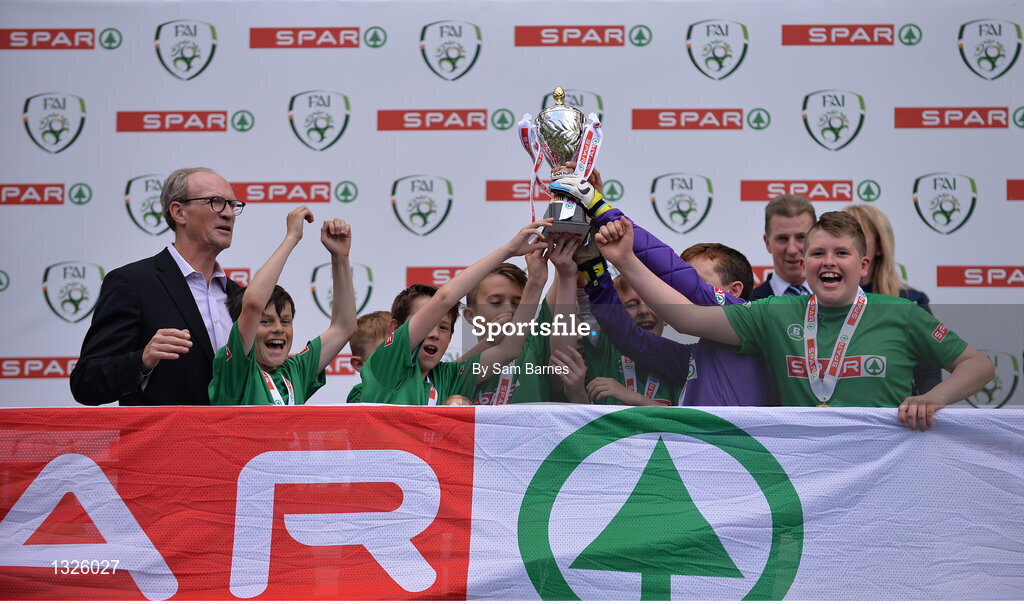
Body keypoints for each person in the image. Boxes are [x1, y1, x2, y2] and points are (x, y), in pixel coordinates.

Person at [595, 211, 994, 431]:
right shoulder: (774, 312)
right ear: (804, 267)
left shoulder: (902, 312)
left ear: (864, 265)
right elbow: (686, 316)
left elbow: (979, 365)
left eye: (842, 253)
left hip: (880, 470)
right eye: (819, 254)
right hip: (801, 474)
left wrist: (933, 398)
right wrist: (625, 260)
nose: (830, 262)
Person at [551, 171, 776, 406]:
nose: (678, 291)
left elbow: (682, 279)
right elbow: (628, 337)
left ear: (733, 292)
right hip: (696, 444)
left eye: (698, 279)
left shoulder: (758, 322)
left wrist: (599, 207)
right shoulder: (692, 357)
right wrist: (592, 266)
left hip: (739, 444)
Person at [70, 167, 244, 405]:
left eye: (232, 205)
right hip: (165, 441)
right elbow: (86, 382)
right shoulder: (132, 284)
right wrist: (142, 361)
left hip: (231, 441)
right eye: (216, 202)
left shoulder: (239, 295)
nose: (228, 214)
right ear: (178, 212)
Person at [352, 219, 551, 405]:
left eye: (445, 327)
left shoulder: (448, 377)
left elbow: (510, 349)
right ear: (397, 331)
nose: (434, 334)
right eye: (426, 324)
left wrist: (536, 283)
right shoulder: (386, 365)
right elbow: (444, 299)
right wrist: (509, 250)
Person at [208, 206, 356, 405]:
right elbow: (252, 304)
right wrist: (292, 237)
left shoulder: (295, 370)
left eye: (285, 321)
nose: (278, 329)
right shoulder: (236, 369)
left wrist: (340, 257)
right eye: (266, 321)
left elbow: (343, 327)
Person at [844, 204, 941, 394]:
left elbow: (928, 372)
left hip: (896, 418)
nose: (848, 243)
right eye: (841, 235)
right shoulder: (817, 301)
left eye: (858, 235)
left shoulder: (910, 301)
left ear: (880, 246)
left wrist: (928, 402)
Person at [749, 194, 816, 300]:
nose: (792, 250)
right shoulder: (748, 306)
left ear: (816, 240)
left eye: (801, 237)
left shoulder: (843, 301)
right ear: (767, 243)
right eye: (783, 239)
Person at [345, 310, 392, 404]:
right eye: (384, 351)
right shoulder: (358, 395)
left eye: (399, 348)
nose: (394, 355)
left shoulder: (420, 382)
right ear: (358, 364)